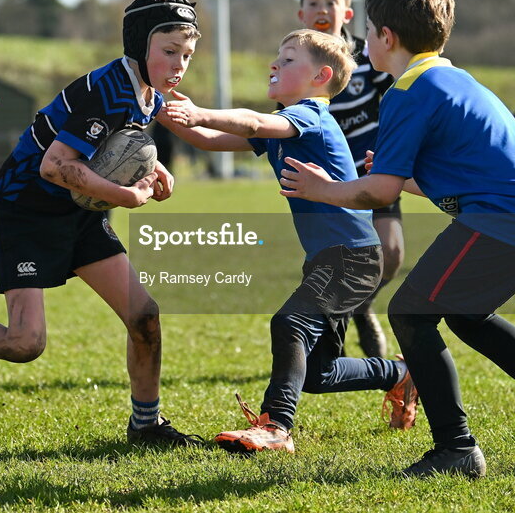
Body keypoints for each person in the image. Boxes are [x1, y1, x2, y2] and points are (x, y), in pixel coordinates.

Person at [280, 0, 515, 478]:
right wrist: (389, 176)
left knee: (410, 312)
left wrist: (325, 189)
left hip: (508, 218)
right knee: (465, 314)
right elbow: (436, 175)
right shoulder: (452, 78)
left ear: (386, 36)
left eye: (367, 34)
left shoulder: (407, 91)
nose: (361, 46)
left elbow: (377, 192)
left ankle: (457, 448)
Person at [0, 0, 201, 448]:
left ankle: (146, 426)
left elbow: (118, 148)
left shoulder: (148, 93)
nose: (179, 65)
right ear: (139, 46)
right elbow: (53, 165)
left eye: (187, 56)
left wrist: (155, 172)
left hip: (77, 213)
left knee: (145, 317)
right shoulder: (107, 92)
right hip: (26, 211)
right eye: (169, 52)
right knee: (24, 343)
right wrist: (126, 196)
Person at [159, 29, 418, 455]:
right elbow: (208, 139)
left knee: (290, 322)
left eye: (288, 59)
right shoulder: (288, 123)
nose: (274, 65)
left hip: (351, 258)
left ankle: (276, 426)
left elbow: (256, 121)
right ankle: (400, 373)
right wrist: (168, 112)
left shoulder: (310, 116)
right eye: (277, 57)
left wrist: (202, 111)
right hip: (330, 260)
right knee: (319, 373)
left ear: (321, 76)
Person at [297, 0, 401, 358]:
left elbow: (396, 101)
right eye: (314, 3)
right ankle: (328, 345)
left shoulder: (370, 55)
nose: (322, 10)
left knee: (391, 254)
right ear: (301, 13)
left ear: (348, 12)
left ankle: (361, 304)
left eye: (331, 2)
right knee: (334, 260)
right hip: (327, 182)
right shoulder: (297, 59)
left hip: (376, 171)